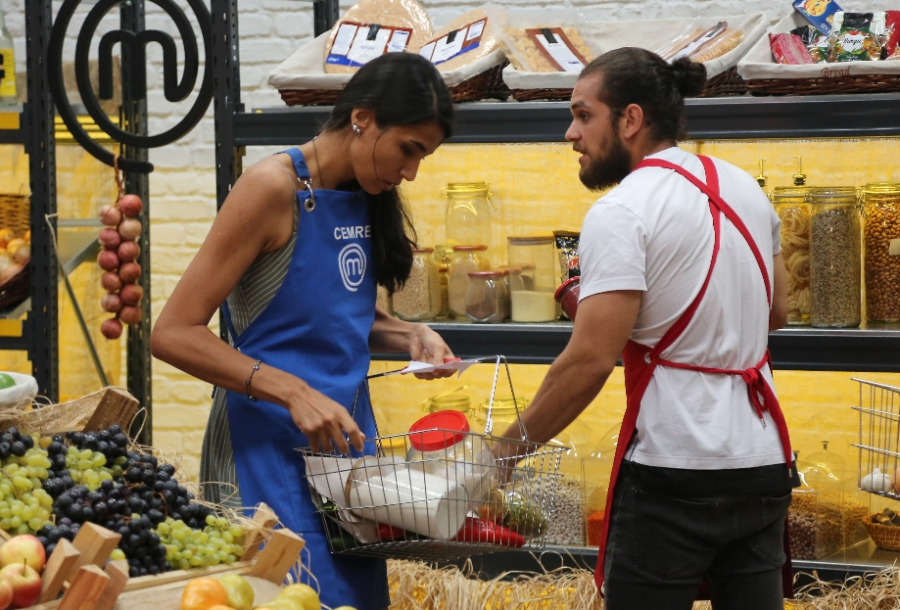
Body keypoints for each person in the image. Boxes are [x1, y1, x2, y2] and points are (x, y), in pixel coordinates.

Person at [150, 53, 456, 610]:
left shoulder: (368, 196)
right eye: (409, 149)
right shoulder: (270, 187)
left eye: (423, 157)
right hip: (263, 451)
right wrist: (292, 390)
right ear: (362, 118)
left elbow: (328, 317)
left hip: (348, 454)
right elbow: (172, 332)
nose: (411, 172)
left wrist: (407, 332)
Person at [497, 48, 798, 610]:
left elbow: (589, 360)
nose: (570, 133)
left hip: (673, 472)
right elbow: (776, 313)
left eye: (584, 115)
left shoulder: (621, 211)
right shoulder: (746, 188)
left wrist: (504, 451)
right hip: (761, 464)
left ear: (630, 120)